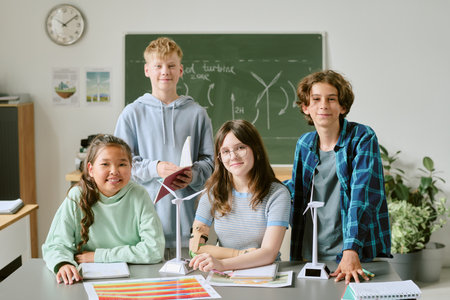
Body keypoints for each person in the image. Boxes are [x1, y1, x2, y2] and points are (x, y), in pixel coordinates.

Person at [284, 70, 391, 284]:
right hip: (312, 252)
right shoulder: (304, 144)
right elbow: (296, 190)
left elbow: (363, 196)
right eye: (316, 99)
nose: (323, 105)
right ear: (306, 107)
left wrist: (351, 249)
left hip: (356, 251)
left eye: (331, 99)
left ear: (342, 106)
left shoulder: (362, 137)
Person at [114, 37, 214, 259]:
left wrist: (193, 175)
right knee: (148, 289)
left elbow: (210, 162)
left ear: (180, 70)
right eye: (158, 66)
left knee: (188, 289)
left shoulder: (198, 113)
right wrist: (155, 168)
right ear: (147, 70)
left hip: (188, 224)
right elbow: (121, 164)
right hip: (144, 225)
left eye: (170, 66)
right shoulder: (131, 113)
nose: (164, 72)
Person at [42, 134, 165, 285]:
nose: (114, 171)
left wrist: (98, 256)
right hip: (85, 279)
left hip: (135, 279)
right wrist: (63, 264)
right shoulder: (77, 196)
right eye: (105, 164)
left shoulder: (139, 195)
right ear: (91, 169)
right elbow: (56, 244)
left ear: (131, 167)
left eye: (122, 164)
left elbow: (154, 250)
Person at [188, 119, 291, 272]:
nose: (233, 156)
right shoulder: (213, 193)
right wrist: (238, 254)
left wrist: (222, 263)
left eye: (240, 148)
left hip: (264, 274)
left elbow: (268, 253)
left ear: (256, 150)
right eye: (225, 151)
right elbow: (195, 247)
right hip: (223, 274)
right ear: (220, 158)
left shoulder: (277, 194)